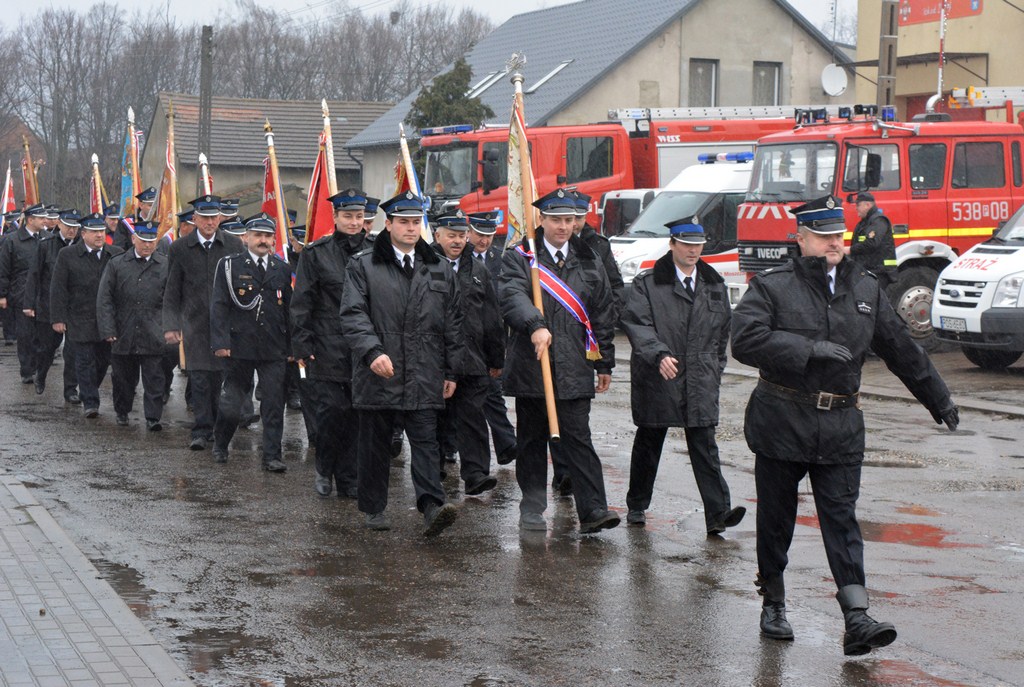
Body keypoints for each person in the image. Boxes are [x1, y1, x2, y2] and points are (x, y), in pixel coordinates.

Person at [730, 194, 960, 655]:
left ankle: (857, 616)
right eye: (823, 235)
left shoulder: (865, 287)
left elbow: (901, 350)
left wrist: (938, 398)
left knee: (841, 519)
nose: (834, 243)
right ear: (801, 239)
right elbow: (745, 339)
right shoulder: (773, 286)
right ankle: (773, 602)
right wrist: (806, 349)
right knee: (776, 520)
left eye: (838, 234)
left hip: (840, 425)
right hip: (782, 418)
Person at [340, 191, 463, 536]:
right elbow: (352, 314)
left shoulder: (438, 267)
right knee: (376, 444)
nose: (411, 229)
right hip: (380, 370)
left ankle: (431, 507)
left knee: (426, 441)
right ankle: (374, 508)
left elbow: (453, 322)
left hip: (424, 371)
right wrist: (372, 352)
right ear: (389, 224)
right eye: (404, 222)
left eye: (415, 222)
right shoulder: (364, 265)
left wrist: (451, 369)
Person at [499, 187, 619, 534]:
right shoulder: (521, 257)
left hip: (575, 367)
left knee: (579, 438)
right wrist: (534, 324)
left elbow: (602, 313)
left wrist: (604, 363)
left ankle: (594, 509)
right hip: (532, 366)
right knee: (533, 441)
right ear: (542, 220)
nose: (563, 226)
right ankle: (533, 509)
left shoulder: (589, 259)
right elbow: (510, 296)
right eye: (556, 220)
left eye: (569, 219)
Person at [620, 215, 745, 534]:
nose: (693, 251)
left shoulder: (714, 283)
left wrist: (716, 367)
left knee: (704, 445)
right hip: (659, 376)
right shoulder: (648, 283)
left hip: (701, 377)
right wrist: (658, 353)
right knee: (650, 440)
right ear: (673, 244)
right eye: (686, 244)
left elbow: (722, 332)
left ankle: (718, 513)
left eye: (697, 244)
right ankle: (637, 504)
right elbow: (637, 324)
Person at [292, 189, 371, 497]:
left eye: (359, 217)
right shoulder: (316, 254)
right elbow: (302, 304)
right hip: (327, 347)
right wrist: (302, 346)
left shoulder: (377, 251)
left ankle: (349, 479)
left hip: (364, 349)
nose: (354, 223)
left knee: (356, 415)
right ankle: (325, 467)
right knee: (332, 413)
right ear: (335, 218)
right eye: (348, 216)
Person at [209, 213, 292, 472]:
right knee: (232, 402)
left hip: (273, 347)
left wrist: (292, 348)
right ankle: (221, 444)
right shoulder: (230, 266)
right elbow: (219, 306)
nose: (263, 240)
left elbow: (290, 310)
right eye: (258, 235)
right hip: (239, 346)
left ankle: (271, 456)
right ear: (246, 237)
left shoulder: (282, 268)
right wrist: (220, 342)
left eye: (268, 236)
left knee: (273, 403)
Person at [162, 195, 244, 450]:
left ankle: (220, 429)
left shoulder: (233, 245)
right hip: (194, 323)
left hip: (226, 324)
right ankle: (201, 429)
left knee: (221, 377)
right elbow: (172, 289)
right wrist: (171, 324)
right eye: (205, 217)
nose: (210, 222)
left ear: (220, 218)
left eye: (214, 217)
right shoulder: (179, 248)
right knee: (198, 379)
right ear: (194, 219)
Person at [432, 210, 505, 495]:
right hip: (435, 358)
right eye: (451, 235)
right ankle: (434, 466)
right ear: (438, 236)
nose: (458, 241)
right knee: (437, 416)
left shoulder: (478, 269)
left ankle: (475, 473)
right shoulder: (426, 266)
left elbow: (491, 317)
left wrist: (496, 357)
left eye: (462, 236)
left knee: (472, 416)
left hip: (472, 357)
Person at [50, 213, 124, 417]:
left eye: (102, 231)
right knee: (84, 360)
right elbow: (58, 289)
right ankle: (91, 402)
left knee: (102, 361)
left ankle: (88, 389)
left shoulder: (116, 254)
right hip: (79, 317)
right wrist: (58, 318)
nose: (99, 235)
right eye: (94, 231)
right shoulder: (68, 255)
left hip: (107, 320)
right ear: (84, 234)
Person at [97, 220, 169, 430]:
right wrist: (108, 329)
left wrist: (170, 326)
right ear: (133, 239)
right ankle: (122, 411)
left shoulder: (164, 264)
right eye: (143, 240)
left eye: (151, 241)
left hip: (153, 331)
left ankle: (153, 417)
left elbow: (172, 299)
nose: (147, 245)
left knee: (154, 378)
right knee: (123, 379)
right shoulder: (117, 264)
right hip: (123, 331)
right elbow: (105, 299)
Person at [466, 211, 517, 466]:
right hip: (466, 336)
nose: (484, 241)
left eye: (489, 236)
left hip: (493, 336)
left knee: (492, 391)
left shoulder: (502, 259)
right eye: (479, 234)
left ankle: (507, 443)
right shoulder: (459, 256)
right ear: (469, 231)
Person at [24, 209, 80, 399]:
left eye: (75, 227)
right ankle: (41, 373)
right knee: (47, 348)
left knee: (72, 351)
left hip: (75, 307)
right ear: (59, 225)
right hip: (48, 306)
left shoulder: (82, 246)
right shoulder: (46, 246)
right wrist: (29, 304)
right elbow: (34, 275)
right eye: (68, 226)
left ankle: (70, 390)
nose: (72, 230)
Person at [0, 203, 48, 384]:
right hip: (20, 294)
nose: (45, 220)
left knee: (42, 335)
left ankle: (39, 367)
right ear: (30, 220)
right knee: (25, 334)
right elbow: (4, 269)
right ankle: (27, 370)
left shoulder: (47, 238)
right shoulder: (12, 240)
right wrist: (2, 294)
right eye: (41, 218)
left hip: (43, 295)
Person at [846, 191, 896, 289]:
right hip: (870, 270)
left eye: (858, 205)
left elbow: (872, 243)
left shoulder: (878, 220)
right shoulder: (866, 222)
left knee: (875, 301)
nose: (856, 208)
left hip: (879, 272)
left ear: (867, 205)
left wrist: (849, 250)